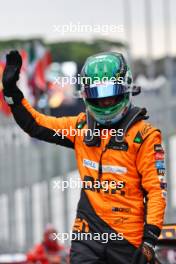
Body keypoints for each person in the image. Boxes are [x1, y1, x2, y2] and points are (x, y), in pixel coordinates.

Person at [2, 50, 167, 264]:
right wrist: (12, 94)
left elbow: (156, 191)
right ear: (86, 97)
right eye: (98, 96)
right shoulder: (80, 128)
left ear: (125, 90)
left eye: (110, 95)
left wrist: (149, 240)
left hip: (128, 238)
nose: (105, 102)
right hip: (87, 234)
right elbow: (35, 124)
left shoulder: (145, 136)